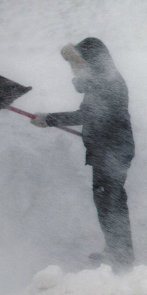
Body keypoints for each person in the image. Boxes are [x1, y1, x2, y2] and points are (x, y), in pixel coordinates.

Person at [30, 37, 135, 271]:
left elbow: (87, 115)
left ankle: (122, 257)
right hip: (107, 149)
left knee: (111, 203)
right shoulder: (101, 80)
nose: (76, 67)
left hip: (114, 151)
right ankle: (115, 250)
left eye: (80, 62)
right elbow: (91, 112)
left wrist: (49, 119)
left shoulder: (108, 82)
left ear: (93, 60)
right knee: (107, 202)